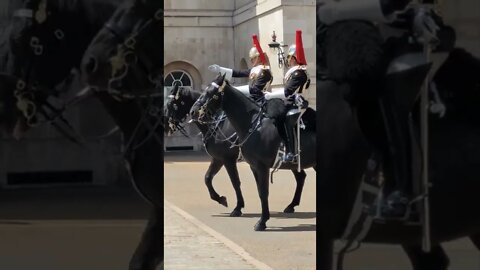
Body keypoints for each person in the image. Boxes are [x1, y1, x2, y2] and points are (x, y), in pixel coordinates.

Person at [317, 0, 454, 218]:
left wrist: (418, 12)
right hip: (348, 45)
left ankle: (401, 190)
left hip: (409, 38)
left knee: (393, 101)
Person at [265, 30, 310, 163]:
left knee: (285, 118)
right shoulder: (294, 72)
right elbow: (286, 90)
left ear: (294, 58)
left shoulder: (299, 73)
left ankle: (291, 152)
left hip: (298, 104)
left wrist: (270, 95)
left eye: (289, 58)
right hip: (291, 102)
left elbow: (287, 92)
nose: (288, 60)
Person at [208, 34, 272, 102]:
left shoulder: (265, 71)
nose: (251, 61)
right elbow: (237, 73)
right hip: (251, 98)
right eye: (250, 59)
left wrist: (234, 90)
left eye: (253, 58)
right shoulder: (254, 70)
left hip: (262, 99)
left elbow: (256, 89)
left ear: (258, 58)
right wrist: (220, 69)